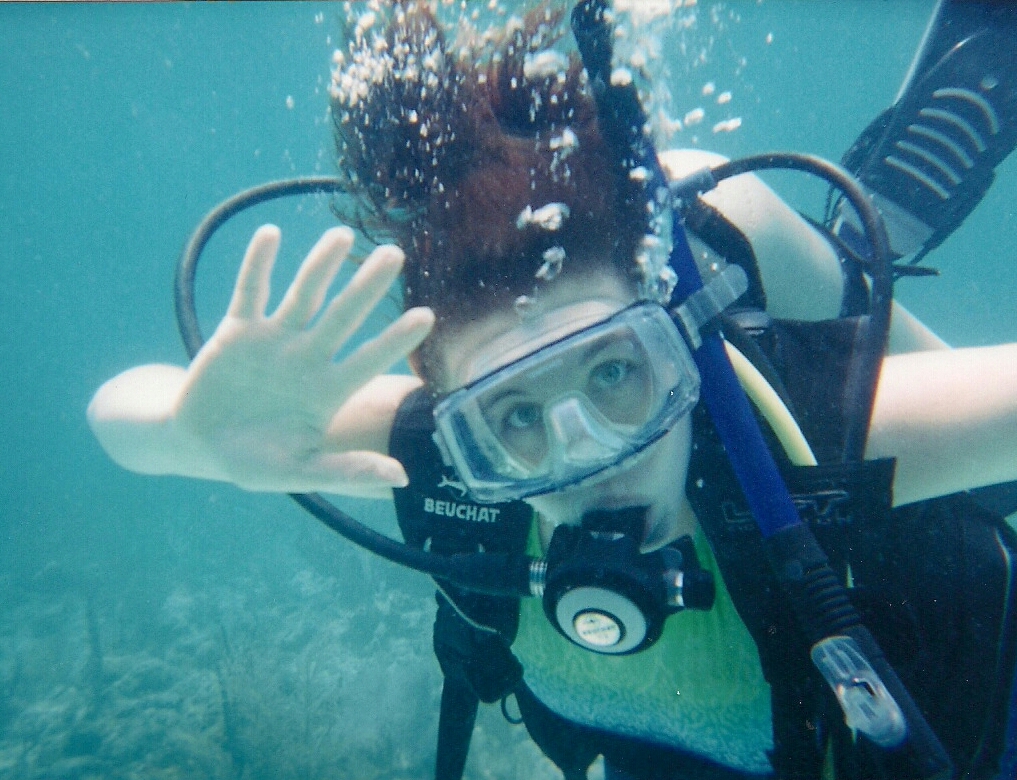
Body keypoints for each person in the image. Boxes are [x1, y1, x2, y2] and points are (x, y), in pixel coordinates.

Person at [88, 2, 1017, 779]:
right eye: (515, 417)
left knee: (732, 222)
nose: (586, 459)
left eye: (616, 373)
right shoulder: (433, 460)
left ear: (677, 354)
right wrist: (192, 431)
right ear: (452, 421)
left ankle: (856, 248)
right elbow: (118, 419)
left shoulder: (800, 443)